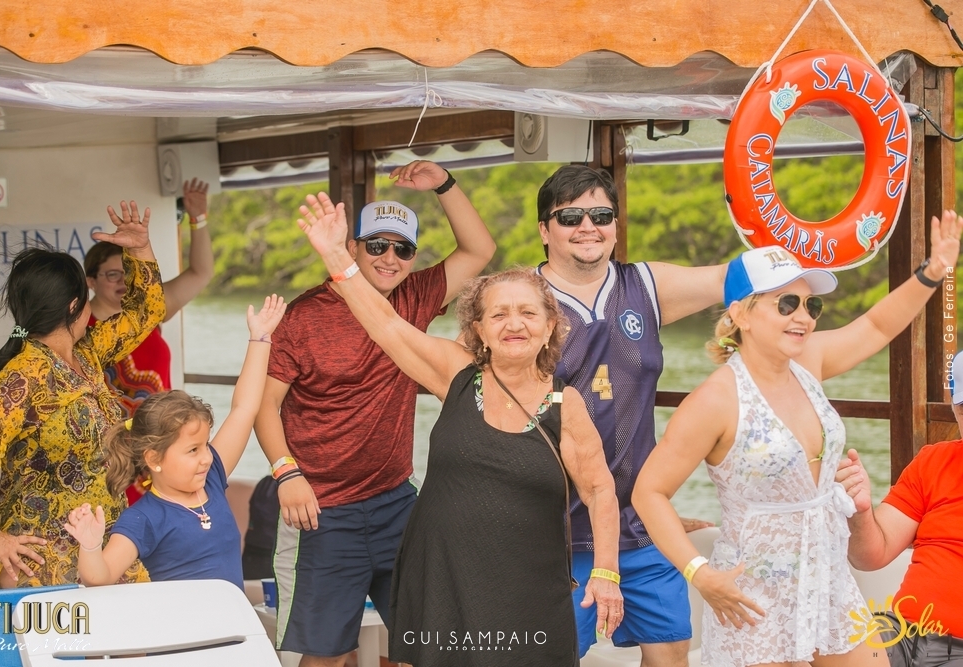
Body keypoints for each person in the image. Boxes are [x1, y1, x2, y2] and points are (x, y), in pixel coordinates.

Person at [296, 191, 623, 667]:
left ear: (551, 326)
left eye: (528, 313)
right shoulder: (457, 374)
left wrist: (607, 572)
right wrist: (334, 256)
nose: (514, 324)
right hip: (443, 579)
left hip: (529, 588)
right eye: (498, 314)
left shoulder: (564, 404)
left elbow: (599, 490)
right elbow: (386, 325)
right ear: (479, 329)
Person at [632, 213, 961, 667]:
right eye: (786, 303)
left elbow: (877, 327)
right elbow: (648, 493)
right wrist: (700, 573)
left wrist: (932, 272)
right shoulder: (715, 400)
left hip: (828, 582)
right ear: (740, 313)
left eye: (811, 305)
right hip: (755, 595)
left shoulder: (809, 362)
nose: (803, 317)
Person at [254, 160, 495, 666]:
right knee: (328, 655)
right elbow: (264, 403)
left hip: (396, 502)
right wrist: (286, 473)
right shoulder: (302, 316)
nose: (390, 258)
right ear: (351, 248)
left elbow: (479, 250)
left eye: (402, 249)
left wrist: (444, 183)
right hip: (320, 509)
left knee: (426, 644)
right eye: (377, 245)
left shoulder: (416, 295)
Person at [535, 164, 720, 663]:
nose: (588, 227)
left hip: (641, 530)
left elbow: (741, 279)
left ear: (616, 226)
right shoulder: (520, 300)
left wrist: (798, 233)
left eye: (601, 215)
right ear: (545, 230)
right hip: (550, 537)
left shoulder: (646, 284)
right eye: (570, 217)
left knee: (671, 657)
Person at [0, 200, 165, 589]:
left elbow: (146, 313)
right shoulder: (25, 374)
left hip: (104, 548)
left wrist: (140, 249)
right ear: (75, 306)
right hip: (45, 562)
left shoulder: (88, 354)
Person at [64, 295, 285, 590]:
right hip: (184, 623)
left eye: (205, 445)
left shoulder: (212, 479)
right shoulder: (143, 517)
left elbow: (244, 408)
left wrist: (260, 339)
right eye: (193, 450)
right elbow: (100, 577)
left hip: (233, 619)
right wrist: (90, 546)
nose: (207, 457)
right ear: (154, 459)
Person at [837, 350, 963, 666]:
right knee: (801, 641)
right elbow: (869, 556)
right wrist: (860, 510)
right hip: (901, 636)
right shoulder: (933, 461)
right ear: (954, 408)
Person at [84, 178, 214, 416]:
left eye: (127, 273)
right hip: (109, 438)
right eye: (112, 274)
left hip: (163, 432)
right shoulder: (77, 327)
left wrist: (198, 218)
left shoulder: (148, 309)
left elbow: (201, 272)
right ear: (91, 281)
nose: (123, 281)